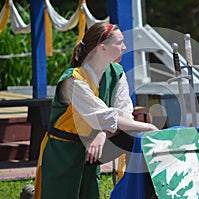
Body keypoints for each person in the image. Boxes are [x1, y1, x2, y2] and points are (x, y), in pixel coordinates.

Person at [34, 22, 158, 199]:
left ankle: (142, 193)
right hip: (64, 150)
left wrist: (103, 134)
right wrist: (148, 127)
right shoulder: (73, 80)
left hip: (94, 144)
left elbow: (123, 114)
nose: (125, 47)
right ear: (102, 48)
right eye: (120, 42)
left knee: (136, 140)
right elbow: (102, 116)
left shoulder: (117, 72)